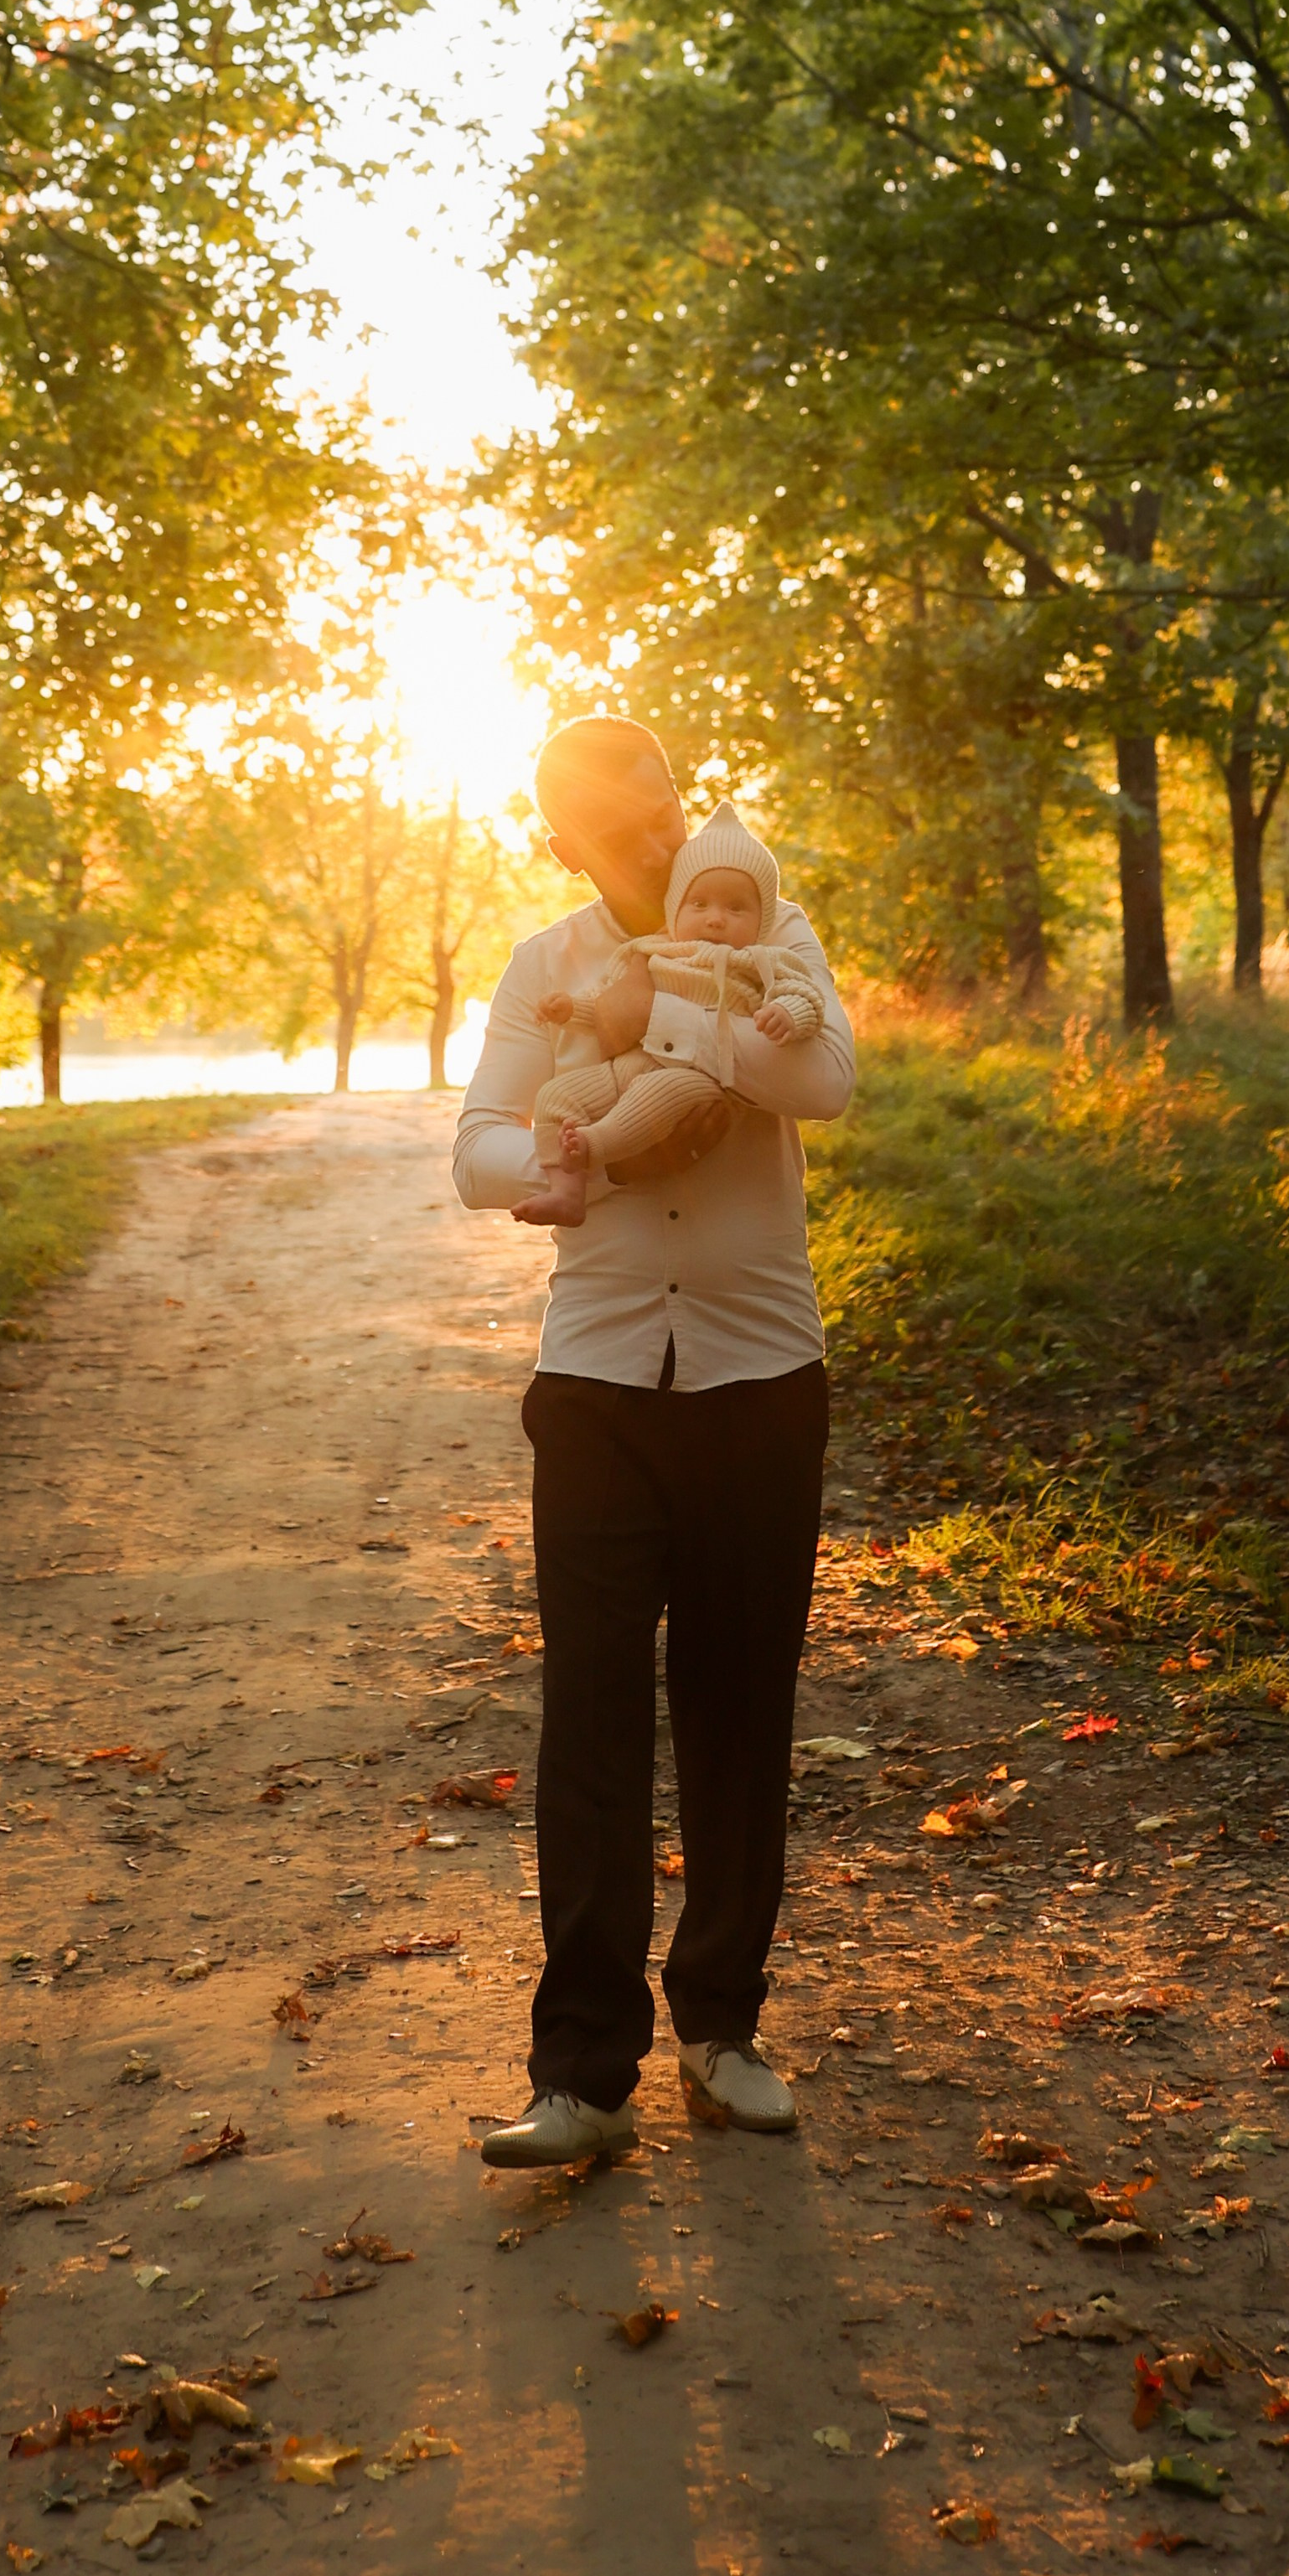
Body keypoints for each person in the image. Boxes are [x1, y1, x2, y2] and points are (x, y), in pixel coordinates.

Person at [453, 717, 853, 2162]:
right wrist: (579, 1159)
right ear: (562, 839)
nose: (657, 838)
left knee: (741, 1710)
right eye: (620, 824)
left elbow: (820, 1083)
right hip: (599, 1378)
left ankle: (721, 2031)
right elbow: (477, 1148)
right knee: (593, 1715)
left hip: (760, 1369)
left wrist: (665, 1021)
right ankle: (583, 2074)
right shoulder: (543, 961)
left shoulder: (771, 927)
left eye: (665, 806)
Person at [510, 799, 824, 1230]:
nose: (716, 919)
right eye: (700, 904)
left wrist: (787, 1013)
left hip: (697, 1080)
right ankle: (566, 1192)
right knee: (556, 1096)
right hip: (628, 1067)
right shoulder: (650, 953)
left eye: (736, 908)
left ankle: (594, 1145)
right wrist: (569, 1009)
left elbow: (804, 994)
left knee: (658, 1092)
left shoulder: (763, 961)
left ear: (761, 919)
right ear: (677, 908)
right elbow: (607, 1004)